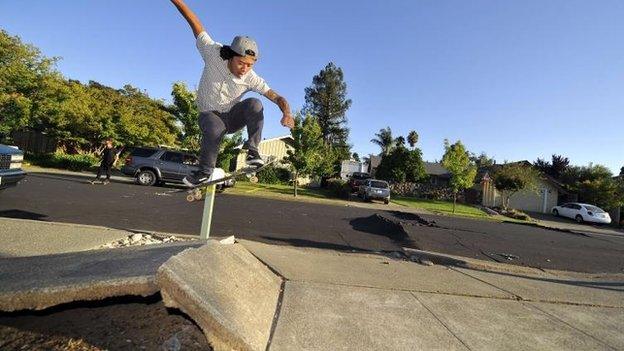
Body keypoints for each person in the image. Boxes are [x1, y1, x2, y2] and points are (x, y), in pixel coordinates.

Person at [170, 0, 295, 187]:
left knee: (255, 103)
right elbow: (194, 23)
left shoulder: (251, 77)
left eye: (250, 65)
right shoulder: (213, 52)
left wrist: (287, 113)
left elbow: (276, 97)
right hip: (209, 116)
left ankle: (252, 151)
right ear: (231, 54)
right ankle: (204, 172)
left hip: (232, 117)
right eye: (241, 63)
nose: (245, 69)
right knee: (213, 126)